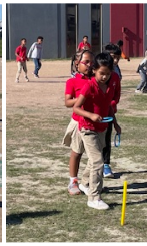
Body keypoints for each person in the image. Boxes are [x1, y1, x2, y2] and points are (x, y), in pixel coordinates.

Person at [73, 52, 118, 210]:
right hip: (87, 128)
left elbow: (109, 107)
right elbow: (76, 108)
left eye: (107, 74)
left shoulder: (110, 86)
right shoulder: (89, 86)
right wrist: (91, 115)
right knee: (98, 161)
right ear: (94, 71)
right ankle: (94, 197)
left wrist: (116, 124)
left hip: (102, 128)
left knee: (94, 160)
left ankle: (85, 183)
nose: (104, 77)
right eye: (101, 73)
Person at [63, 49, 94, 195]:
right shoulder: (72, 81)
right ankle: (73, 181)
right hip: (78, 122)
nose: (89, 65)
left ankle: (87, 182)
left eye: (91, 62)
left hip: (94, 123)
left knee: (95, 155)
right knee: (77, 152)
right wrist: (82, 98)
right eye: (86, 62)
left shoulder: (95, 79)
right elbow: (68, 102)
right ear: (77, 63)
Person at [102, 44, 122, 178]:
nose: (115, 61)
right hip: (95, 114)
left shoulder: (115, 76)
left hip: (109, 114)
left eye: (117, 58)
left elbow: (117, 96)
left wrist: (111, 104)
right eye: (113, 57)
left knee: (107, 139)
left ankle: (106, 165)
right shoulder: (97, 73)